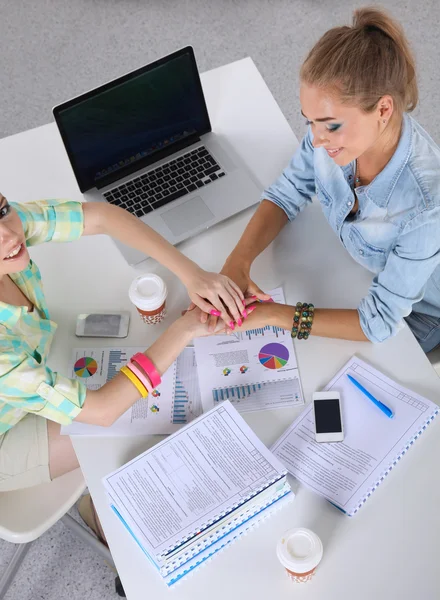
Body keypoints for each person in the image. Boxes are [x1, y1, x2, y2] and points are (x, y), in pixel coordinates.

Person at [0, 194, 259, 495]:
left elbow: (102, 217)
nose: (9, 234)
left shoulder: (9, 231)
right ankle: (96, 519)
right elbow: (103, 410)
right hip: (7, 436)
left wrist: (194, 275)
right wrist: (184, 329)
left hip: (30, 376)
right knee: (131, 434)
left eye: (2, 210)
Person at [217, 7, 440, 353]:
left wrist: (275, 316)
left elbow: (378, 322)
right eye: (309, 121)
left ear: (383, 110)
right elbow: (287, 192)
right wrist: (237, 262)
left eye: (330, 124)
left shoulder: (425, 208)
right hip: (358, 276)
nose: (316, 140)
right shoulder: (333, 139)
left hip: (420, 314)